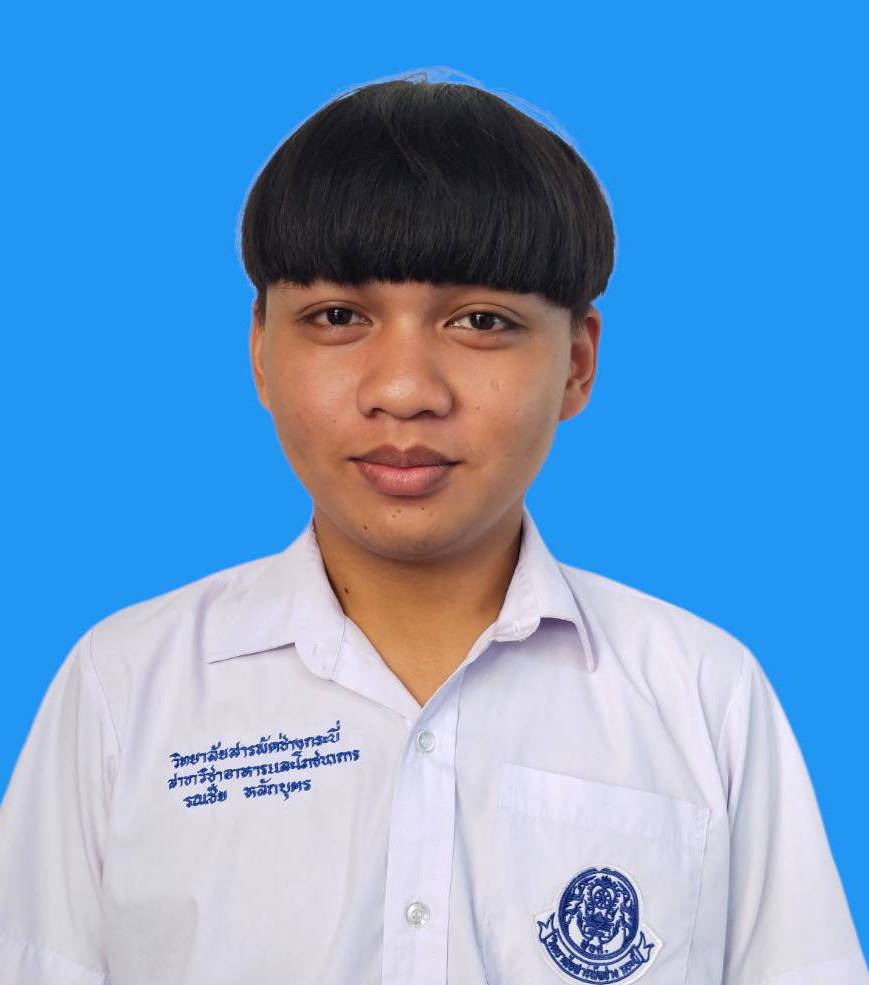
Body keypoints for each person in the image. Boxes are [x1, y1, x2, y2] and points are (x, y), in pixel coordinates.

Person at [1, 70, 866, 985]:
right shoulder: (125, 690)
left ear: (577, 364)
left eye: (481, 320)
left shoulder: (701, 695)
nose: (405, 389)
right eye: (338, 317)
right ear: (259, 350)